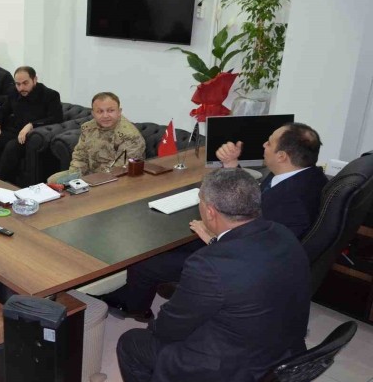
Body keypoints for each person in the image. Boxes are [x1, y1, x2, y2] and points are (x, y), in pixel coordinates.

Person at [98, 122, 328, 322]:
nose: (263, 145)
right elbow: (253, 201)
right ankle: (143, 288)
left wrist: (213, 240)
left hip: (235, 259)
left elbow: (264, 254)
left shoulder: (294, 203)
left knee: (146, 261)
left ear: (282, 156)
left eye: (269, 143)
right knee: (164, 238)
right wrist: (232, 165)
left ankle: (134, 307)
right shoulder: (303, 177)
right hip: (237, 238)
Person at [116, 168, 311, 382]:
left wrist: (153, 327)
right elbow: (245, 267)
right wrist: (214, 242)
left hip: (235, 371)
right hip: (284, 353)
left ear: (210, 212)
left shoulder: (207, 265)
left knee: (131, 342)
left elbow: (170, 329)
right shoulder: (282, 233)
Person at [0, 66, 63, 184]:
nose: (21, 88)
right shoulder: (14, 92)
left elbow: (56, 118)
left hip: (32, 135)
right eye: (18, 84)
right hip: (14, 130)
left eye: (25, 83)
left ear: (34, 80)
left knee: (12, 147)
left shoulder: (50, 95)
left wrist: (31, 125)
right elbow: (2, 110)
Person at [47, 92, 145, 183]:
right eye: (100, 111)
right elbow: (80, 155)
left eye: (110, 111)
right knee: (53, 181)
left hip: (113, 180)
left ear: (119, 112)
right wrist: (74, 177)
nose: (105, 115)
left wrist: (89, 183)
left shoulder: (129, 137)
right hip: (88, 173)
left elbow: (121, 170)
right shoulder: (88, 127)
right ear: (93, 113)